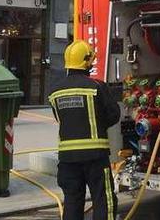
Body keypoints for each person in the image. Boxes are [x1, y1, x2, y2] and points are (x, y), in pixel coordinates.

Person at [48, 41, 120, 220]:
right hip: (95, 158)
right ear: (87, 62)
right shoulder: (97, 87)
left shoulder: (55, 92)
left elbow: (60, 119)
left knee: (72, 202)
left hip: (67, 160)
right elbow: (113, 116)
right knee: (103, 200)